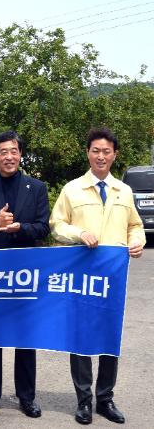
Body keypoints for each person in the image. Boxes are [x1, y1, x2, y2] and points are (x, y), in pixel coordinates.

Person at [50, 127, 145, 425]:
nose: (101, 156)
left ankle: (105, 398)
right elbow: (56, 224)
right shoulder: (72, 189)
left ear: (114, 155)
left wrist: (137, 240)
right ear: (88, 153)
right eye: (96, 151)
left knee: (108, 335)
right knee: (80, 337)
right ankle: (84, 400)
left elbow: (135, 225)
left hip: (112, 278)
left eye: (106, 151)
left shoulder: (124, 191)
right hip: (81, 277)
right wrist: (79, 233)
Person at [0, 130, 50, 419]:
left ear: (20, 154)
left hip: (25, 273)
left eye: (13, 151)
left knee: (25, 336)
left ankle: (27, 396)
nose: (9, 156)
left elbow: (43, 228)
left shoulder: (36, 187)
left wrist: (20, 228)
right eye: (3, 151)